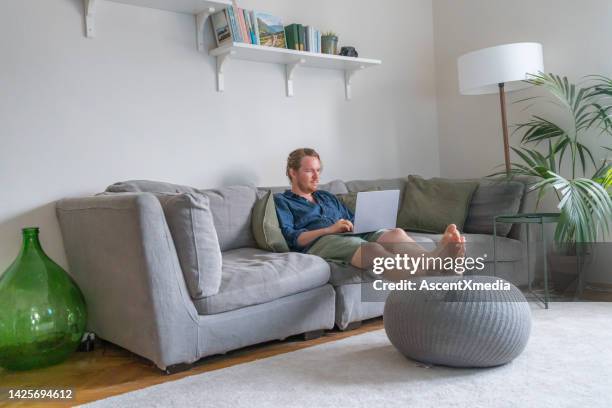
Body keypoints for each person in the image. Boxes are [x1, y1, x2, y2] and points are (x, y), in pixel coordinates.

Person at [273, 148, 466, 282]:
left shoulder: (326, 197)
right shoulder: (283, 201)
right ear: (293, 173)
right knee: (370, 248)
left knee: (395, 233)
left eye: (318, 170)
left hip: (351, 233)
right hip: (323, 241)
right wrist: (329, 229)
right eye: (309, 171)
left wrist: (368, 223)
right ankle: (431, 274)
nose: (316, 176)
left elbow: (353, 220)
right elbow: (294, 239)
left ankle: (436, 261)